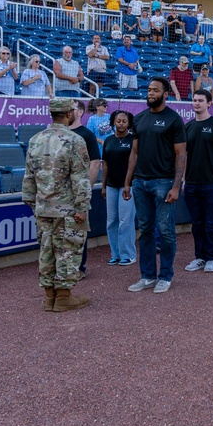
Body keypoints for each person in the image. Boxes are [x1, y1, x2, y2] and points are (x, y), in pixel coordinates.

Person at [22, 98, 92, 312]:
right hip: (68, 208)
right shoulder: (75, 140)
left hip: (43, 207)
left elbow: (29, 177)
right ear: (69, 114)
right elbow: (80, 178)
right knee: (67, 250)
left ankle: (49, 297)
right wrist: (82, 207)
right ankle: (63, 297)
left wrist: (33, 204)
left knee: (46, 251)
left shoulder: (35, 139)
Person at [126, 77, 187, 295]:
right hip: (140, 183)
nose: (150, 93)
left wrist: (176, 185)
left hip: (164, 182)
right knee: (145, 230)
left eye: (155, 90)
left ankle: (166, 276)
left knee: (166, 230)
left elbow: (181, 155)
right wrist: (128, 182)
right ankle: (148, 276)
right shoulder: (139, 119)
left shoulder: (174, 119)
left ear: (165, 94)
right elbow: (134, 153)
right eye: (149, 89)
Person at [182, 89, 213, 274]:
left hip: (212, 183)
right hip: (191, 183)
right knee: (197, 223)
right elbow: (185, 155)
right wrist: (184, 179)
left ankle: (212, 258)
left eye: (200, 100)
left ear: (209, 103)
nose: (196, 103)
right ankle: (200, 257)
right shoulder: (188, 126)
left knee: (211, 222)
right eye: (194, 100)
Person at [69, 100, 102, 279]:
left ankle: (79, 268)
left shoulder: (87, 135)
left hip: (79, 191)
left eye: (72, 108)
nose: (67, 111)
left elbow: (95, 163)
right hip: (60, 193)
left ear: (80, 112)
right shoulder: (59, 133)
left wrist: (85, 191)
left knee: (79, 231)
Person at [101, 110, 137, 266]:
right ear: (113, 122)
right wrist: (103, 185)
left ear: (129, 123)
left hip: (128, 186)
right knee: (111, 221)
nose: (121, 124)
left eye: (124, 121)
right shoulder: (108, 140)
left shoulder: (133, 139)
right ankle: (115, 254)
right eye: (118, 121)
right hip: (111, 186)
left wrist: (128, 184)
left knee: (125, 221)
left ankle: (128, 254)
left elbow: (134, 162)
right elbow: (105, 164)